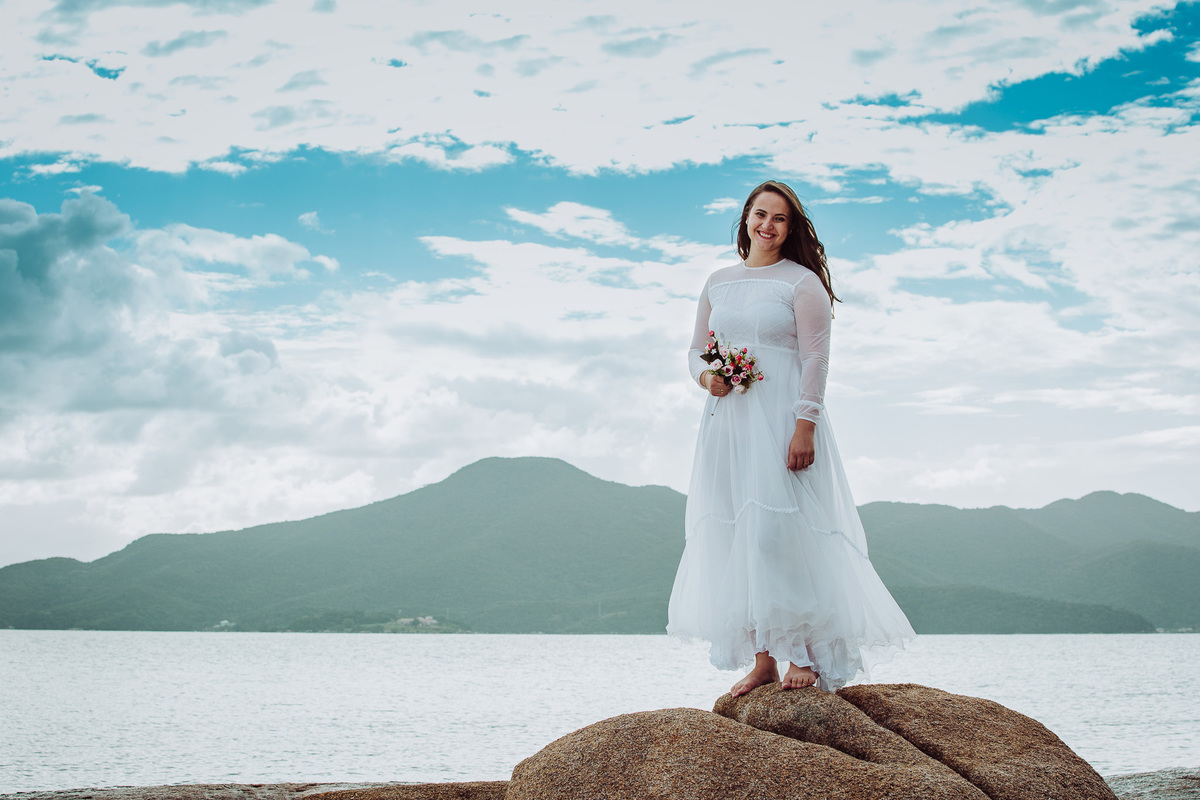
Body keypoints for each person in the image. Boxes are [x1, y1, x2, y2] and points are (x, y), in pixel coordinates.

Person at [666, 180, 914, 697]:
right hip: (728, 424)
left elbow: (816, 359)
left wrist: (806, 425)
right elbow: (695, 351)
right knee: (739, 531)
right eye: (760, 215)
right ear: (745, 220)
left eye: (779, 219)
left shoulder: (802, 284)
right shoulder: (718, 282)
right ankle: (764, 661)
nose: (767, 226)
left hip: (781, 420)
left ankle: (803, 651)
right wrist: (706, 378)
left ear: (791, 227)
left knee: (780, 533)